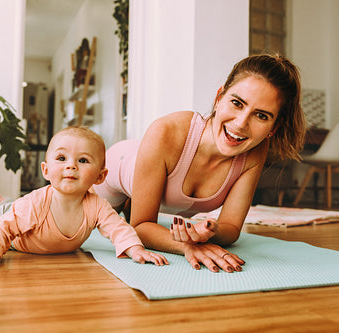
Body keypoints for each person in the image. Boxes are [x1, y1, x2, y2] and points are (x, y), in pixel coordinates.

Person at [93, 54, 306, 273]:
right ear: (218, 98)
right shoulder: (166, 131)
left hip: (148, 165)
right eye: (236, 103)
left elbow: (231, 228)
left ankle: (132, 203)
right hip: (115, 169)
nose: (241, 124)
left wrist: (209, 232)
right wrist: (186, 246)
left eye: (261, 116)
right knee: (81, 220)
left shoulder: (254, 150)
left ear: (273, 127)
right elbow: (140, 226)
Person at [0, 126, 169, 269]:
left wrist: (136, 250)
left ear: (100, 177)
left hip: (20, 214)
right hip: (11, 221)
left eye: (83, 161)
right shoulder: (34, 204)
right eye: (61, 158)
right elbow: (2, 229)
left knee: (15, 210)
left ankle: (0, 200)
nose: (71, 165)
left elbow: (118, 228)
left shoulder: (97, 206)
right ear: (46, 170)